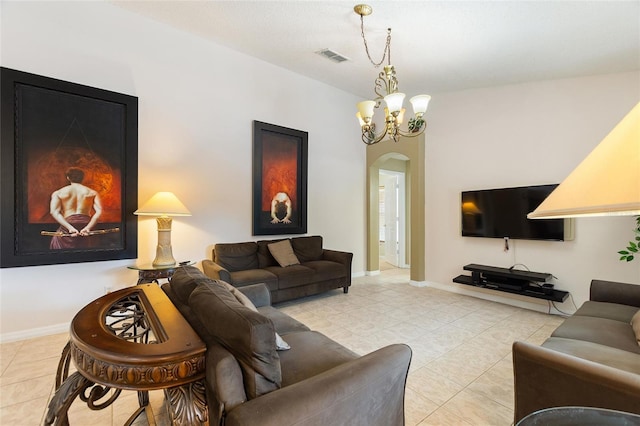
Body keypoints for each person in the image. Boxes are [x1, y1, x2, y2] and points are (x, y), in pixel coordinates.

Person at [49, 167, 102, 249]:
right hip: (86, 224)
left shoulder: (59, 193)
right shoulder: (92, 193)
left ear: (68, 178)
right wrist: (88, 228)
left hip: (67, 225)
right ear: (82, 178)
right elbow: (99, 212)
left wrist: (69, 228)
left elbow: (54, 212)